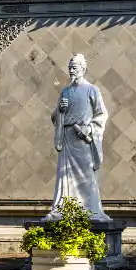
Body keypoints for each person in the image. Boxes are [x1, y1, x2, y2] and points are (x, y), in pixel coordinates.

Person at [47, 53, 110, 221]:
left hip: (82, 139)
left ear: (83, 69)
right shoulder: (65, 91)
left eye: (74, 68)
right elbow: (54, 117)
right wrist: (60, 109)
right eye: (69, 68)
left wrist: (89, 129)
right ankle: (64, 208)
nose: (71, 71)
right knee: (65, 175)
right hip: (67, 138)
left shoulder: (92, 90)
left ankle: (89, 209)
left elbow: (101, 114)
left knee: (85, 175)